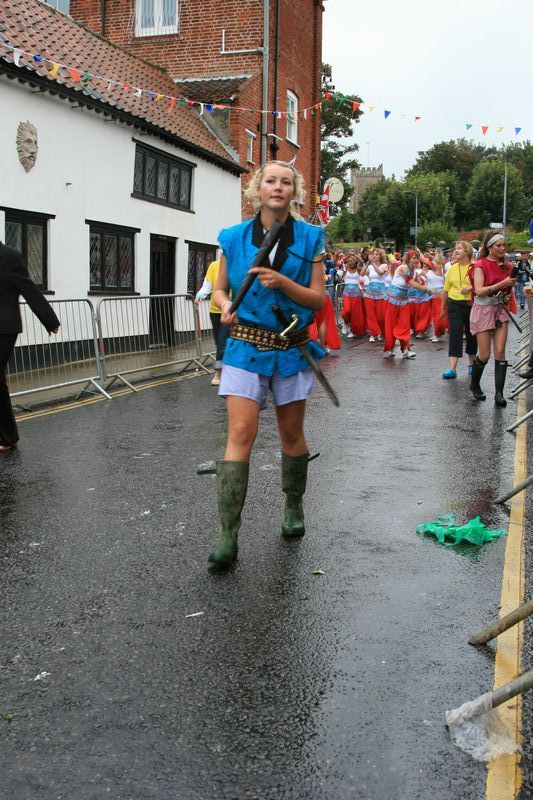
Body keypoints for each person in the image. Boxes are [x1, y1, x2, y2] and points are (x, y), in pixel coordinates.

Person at [208, 160, 326, 566]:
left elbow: (318, 299)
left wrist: (285, 284)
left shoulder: (311, 238)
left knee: (291, 434)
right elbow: (221, 290)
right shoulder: (234, 237)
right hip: (244, 347)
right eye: (270, 181)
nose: (278, 187)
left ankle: (293, 506)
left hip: (291, 348)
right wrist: (225, 307)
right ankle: (227, 535)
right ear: (257, 189)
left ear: (295, 191)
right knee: (240, 432)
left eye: (286, 182)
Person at [0, 241, 60, 452]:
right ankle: (8, 435)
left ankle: (7, 437)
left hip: (4, 329)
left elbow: (29, 289)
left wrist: (50, 320)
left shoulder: (9, 257)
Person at [468, 231, 516, 405]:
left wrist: (508, 294)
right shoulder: (480, 265)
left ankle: (499, 394)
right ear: (490, 247)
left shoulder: (508, 266)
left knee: (500, 351)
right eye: (499, 245)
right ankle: (474, 385)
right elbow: (479, 290)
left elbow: (508, 292)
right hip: (483, 309)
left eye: (504, 245)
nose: (503, 248)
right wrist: (503, 283)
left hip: (500, 309)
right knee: (485, 354)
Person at [383, 249, 432, 358]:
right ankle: (389, 348)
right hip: (392, 300)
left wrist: (433, 288)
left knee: (405, 325)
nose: (416, 260)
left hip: (404, 301)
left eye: (417, 258)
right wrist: (428, 290)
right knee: (390, 325)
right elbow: (412, 283)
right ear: (408, 259)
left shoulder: (415, 273)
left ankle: (405, 349)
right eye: (413, 258)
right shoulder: (402, 269)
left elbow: (422, 283)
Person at [440, 241, 477, 379]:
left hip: (471, 305)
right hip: (454, 304)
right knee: (455, 334)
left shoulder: (475, 267)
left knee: (471, 334)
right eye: (455, 248)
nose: (455, 251)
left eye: (459, 248)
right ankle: (452, 369)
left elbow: (481, 285)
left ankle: (472, 364)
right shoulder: (452, 268)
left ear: (467, 251)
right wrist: (443, 308)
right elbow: (445, 290)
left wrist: (470, 288)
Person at [194, 258, 230, 386]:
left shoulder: (237, 263)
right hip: (215, 310)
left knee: (221, 344)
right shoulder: (214, 265)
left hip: (230, 311)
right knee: (219, 343)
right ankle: (228, 368)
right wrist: (200, 296)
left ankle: (218, 373)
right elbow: (208, 284)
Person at [364, 247, 388, 342]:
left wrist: (372, 263)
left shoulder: (384, 265)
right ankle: (373, 334)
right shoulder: (370, 267)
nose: (374, 256)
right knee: (371, 315)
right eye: (373, 254)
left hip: (381, 293)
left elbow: (380, 272)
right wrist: (367, 263)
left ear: (381, 256)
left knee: (380, 316)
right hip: (370, 292)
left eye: (376, 254)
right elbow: (362, 274)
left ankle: (381, 332)